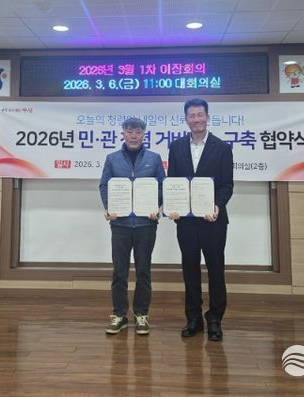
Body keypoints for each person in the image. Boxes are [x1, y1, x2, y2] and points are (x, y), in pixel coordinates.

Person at [167, 98, 234, 341]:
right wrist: (172, 207)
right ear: (186, 119)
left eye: (200, 115)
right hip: (186, 222)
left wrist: (217, 206)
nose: (196, 119)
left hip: (213, 220)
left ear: (207, 117)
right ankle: (193, 318)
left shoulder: (222, 148)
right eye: (191, 115)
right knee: (190, 270)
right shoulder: (176, 147)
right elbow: (172, 181)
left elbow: (226, 185)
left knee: (216, 270)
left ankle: (215, 319)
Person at [99, 117, 166, 335]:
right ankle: (119, 314)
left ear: (144, 134)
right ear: (123, 133)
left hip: (146, 224)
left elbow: (162, 186)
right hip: (120, 224)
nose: (134, 136)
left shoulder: (154, 159)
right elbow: (104, 186)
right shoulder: (112, 159)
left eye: (138, 132)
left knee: (143, 271)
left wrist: (156, 206)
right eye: (129, 131)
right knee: (119, 272)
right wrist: (109, 207)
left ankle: (141, 315)